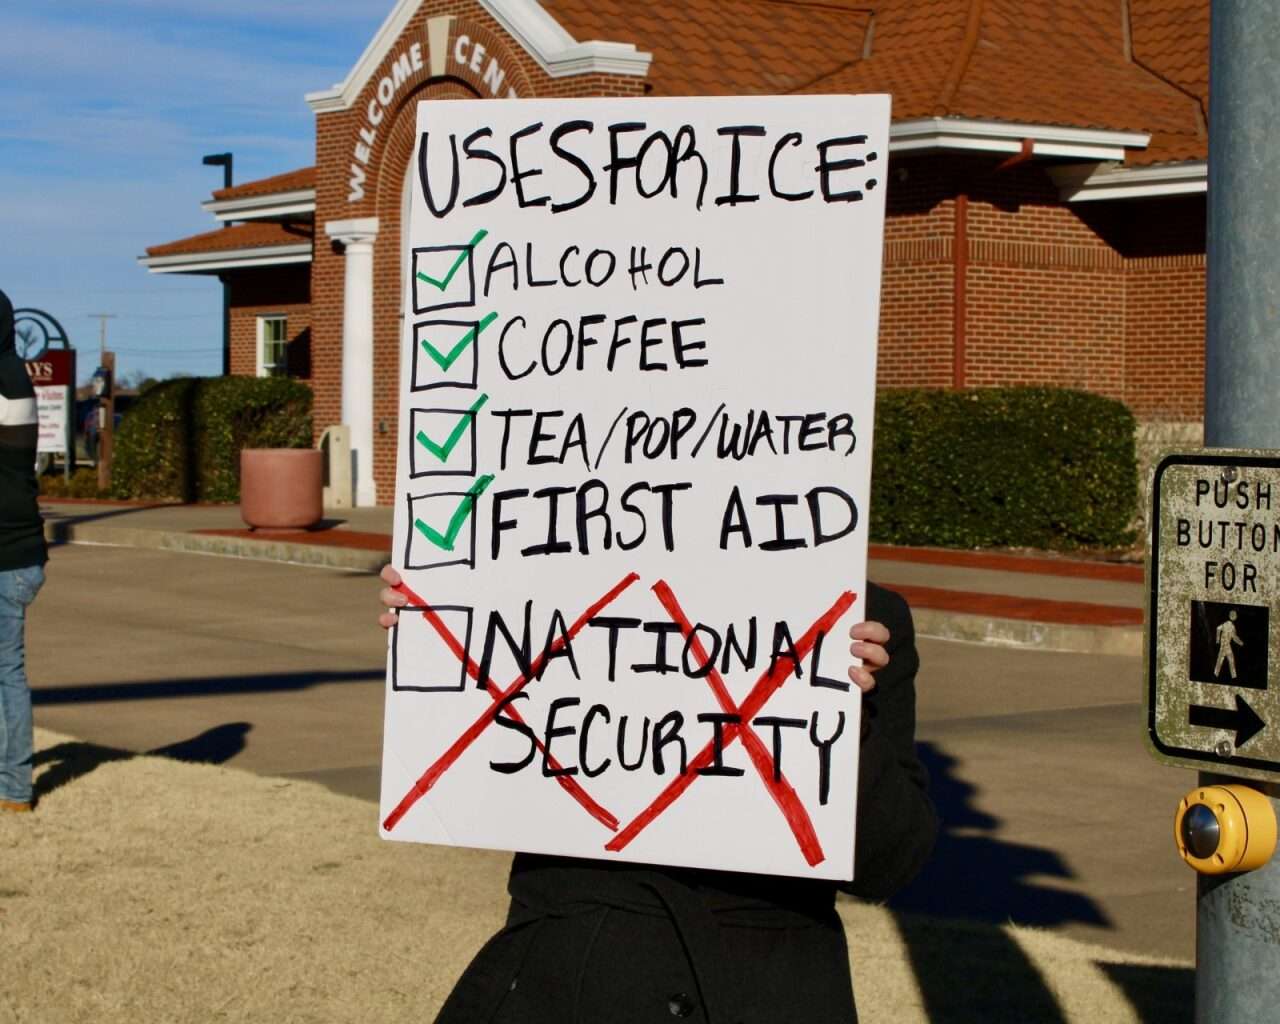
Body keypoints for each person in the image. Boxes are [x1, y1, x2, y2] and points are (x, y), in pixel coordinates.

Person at [378, 565, 936, 1022]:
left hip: (766, 989)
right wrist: (439, 631)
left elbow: (890, 862)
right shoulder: (536, 574)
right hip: (563, 979)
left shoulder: (858, 619)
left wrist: (839, 717)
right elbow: (473, 785)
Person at [0, 289, 48, 814]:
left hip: (6, 554)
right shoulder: (13, 375)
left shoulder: (4, 381)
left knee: (5, 670)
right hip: (20, 550)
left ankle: (13, 786)